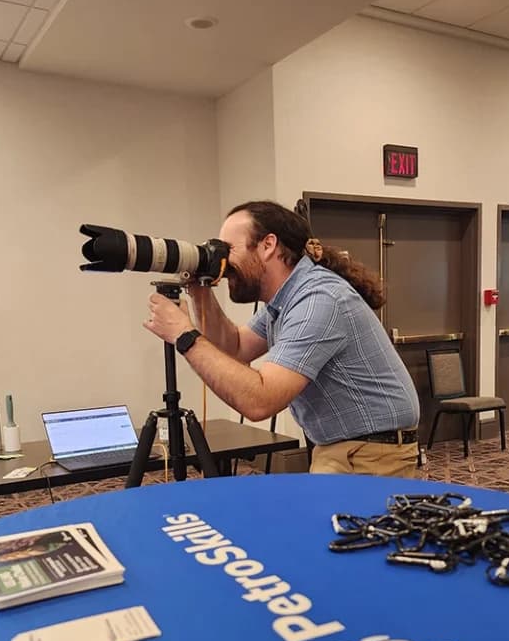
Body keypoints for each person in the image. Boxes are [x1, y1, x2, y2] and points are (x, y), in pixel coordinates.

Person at [143, 200, 420, 476]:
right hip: (346, 448)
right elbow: (235, 347)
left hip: (371, 455)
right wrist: (200, 289)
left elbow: (260, 400)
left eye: (229, 249)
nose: (222, 262)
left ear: (268, 245)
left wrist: (184, 335)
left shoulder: (318, 299)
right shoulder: (285, 301)